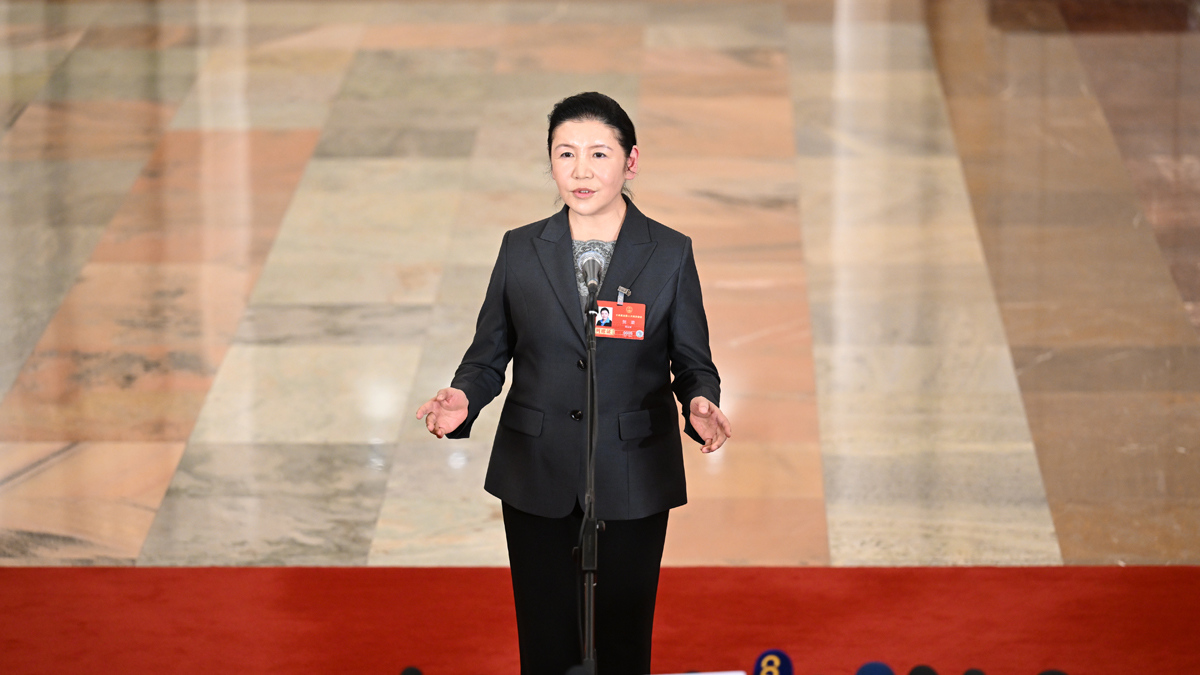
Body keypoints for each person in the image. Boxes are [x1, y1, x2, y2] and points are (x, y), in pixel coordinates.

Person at [415, 92, 732, 675]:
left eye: (598, 154)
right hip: (535, 467)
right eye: (566, 154)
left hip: (634, 466)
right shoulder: (520, 248)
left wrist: (700, 399)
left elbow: (692, 360)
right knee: (546, 638)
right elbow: (489, 352)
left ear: (630, 161)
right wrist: (464, 395)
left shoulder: (669, 252)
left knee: (622, 639)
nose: (581, 171)